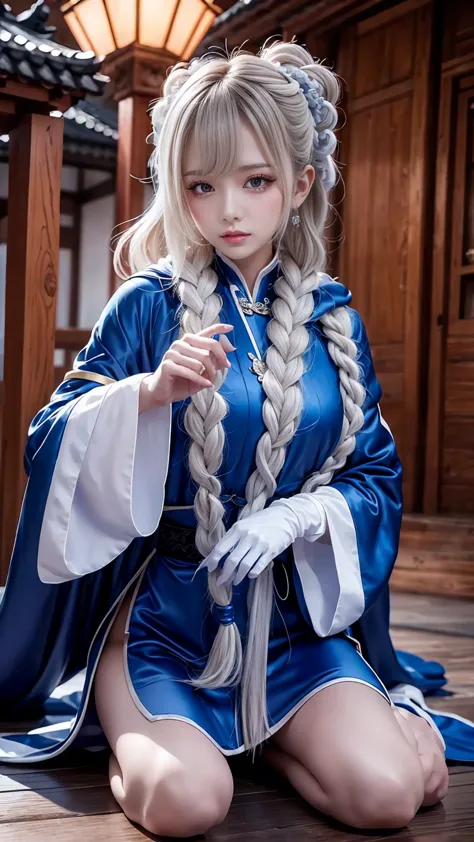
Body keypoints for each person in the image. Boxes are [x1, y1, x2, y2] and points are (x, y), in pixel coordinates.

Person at [0, 39, 472, 838]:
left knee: (390, 796)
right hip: (160, 624)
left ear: (300, 184)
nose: (228, 210)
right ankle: (135, 723)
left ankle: (269, 736)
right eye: (201, 185)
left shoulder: (335, 323)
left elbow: (373, 474)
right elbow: (50, 441)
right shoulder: (145, 306)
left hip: (290, 624)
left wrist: (296, 517)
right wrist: (146, 396)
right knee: (187, 805)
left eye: (255, 181)